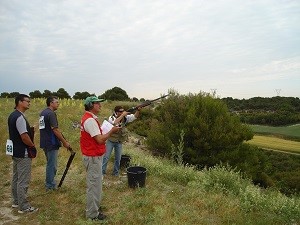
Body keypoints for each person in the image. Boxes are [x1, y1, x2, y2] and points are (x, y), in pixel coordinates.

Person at [80, 96, 120, 221]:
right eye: (98, 104)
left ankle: (94, 208)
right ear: (91, 105)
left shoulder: (89, 118)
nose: (100, 106)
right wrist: (112, 131)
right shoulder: (90, 120)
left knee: (96, 184)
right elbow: (100, 139)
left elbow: (97, 136)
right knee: (94, 186)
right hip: (93, 157)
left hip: (93, 156)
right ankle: (92, 215)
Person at [7, 94, 38, 213]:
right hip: (23, 153)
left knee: (16, 177)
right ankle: (23, 206)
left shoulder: (12, 115)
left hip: (15, 152)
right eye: (27, 101)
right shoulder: (19, 117)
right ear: (20, 102)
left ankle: (16, 201)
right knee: (23, 180)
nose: (29, 103)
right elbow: (24, 136)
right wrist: (32, 145)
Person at [39, 96, 71, 191]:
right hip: (51, 142)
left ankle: (50, 183)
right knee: (52, 165)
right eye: (56, 102)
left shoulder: (43, 112)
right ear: (51, 103)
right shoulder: (51, 114)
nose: (58, 104)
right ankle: (50, 186)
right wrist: (64, 142)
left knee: (50, 163)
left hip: (45, 141)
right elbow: (55, 130)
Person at [102, 105, 141, 176]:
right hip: (111, 140)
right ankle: (102, 172)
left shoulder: (125, 118)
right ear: (116, 112)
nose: (122, 112)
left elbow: (135, 117)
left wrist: (138, 110)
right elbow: (115, 122)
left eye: (123, 111)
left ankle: (115, 173)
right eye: (120, 111)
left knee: (118, 158)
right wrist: (123, 115)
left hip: (119, 141)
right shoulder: (111, 117)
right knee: (106, 157)